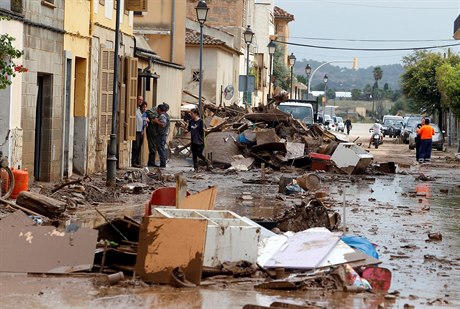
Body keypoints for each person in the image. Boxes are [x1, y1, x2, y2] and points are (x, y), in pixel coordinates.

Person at [152, 103, 170, 167]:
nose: (157, 110)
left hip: (161, 135)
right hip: (162, 135)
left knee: (161, 149)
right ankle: (163, 163)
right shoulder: (164, 115)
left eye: (157, 109)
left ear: (159, 109)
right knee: (161, 149)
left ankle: (163, 163)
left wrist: (156, 121)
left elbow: (163, 124)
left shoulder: (162, 116)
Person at [131, 101, 149, 167]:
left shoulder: (144, 114)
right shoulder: (137, 112)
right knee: (136, 146)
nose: (144, 109)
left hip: (141, 132)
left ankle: (137, 161)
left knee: (139, 146)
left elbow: (144, 123)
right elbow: (139, 120)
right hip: (137, 131)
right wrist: (145, 119)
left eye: (145, 107)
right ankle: (134, 162)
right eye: (143, 107)